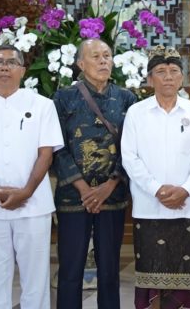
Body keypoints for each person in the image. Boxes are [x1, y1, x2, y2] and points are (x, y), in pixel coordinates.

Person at [121, 46, 190, 309]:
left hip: (187, 207)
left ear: (182, 77)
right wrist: (157, 190)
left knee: (187, 277)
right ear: (150, 79)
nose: (168, 77)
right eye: (161, 71)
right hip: (149, 207)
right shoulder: (137, 112)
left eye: (174, 71)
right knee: (151, 273)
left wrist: (186, 189)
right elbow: (130, 158)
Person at [52, 38, 137, 309]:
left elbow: (133, 148)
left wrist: (109, 185)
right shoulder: (63, 98)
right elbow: (56, 146)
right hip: (73, 196)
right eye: (96, 56)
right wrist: (84, 189)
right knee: (70, 270)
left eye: (107, 56)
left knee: (110, 271)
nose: (103, 61)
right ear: (80, 63)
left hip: (112, 195)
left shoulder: (126, 98)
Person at [0, 44, 63, 309]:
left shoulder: (42, 105)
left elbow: (46, 154)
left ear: (22, 70)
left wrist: (26, 191)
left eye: (11, 62)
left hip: (33, 206)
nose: (4, 67)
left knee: (36, 281)